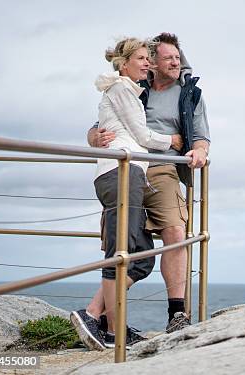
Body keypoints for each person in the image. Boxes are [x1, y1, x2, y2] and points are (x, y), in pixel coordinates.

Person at [87, 32, 210, 334]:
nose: (175, 62)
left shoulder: (189, 93)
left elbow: (202, 137)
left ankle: (176, 312)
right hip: (128, 166)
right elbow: (97, 127)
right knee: (125, 244)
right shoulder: (130, 86)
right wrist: (94, 138)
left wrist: (199, 152)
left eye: (177, 58)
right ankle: (101, 317)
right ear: (151, 62)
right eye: (168, 57)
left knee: (175, 230)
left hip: (165, 167)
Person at [71, 37, 183, 351]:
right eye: (142, 59)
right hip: (123, 171)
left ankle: (106, 323)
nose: (147, 63)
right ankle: (101, 323)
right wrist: (173, 141)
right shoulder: (122, 89)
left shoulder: (128, 90)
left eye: (149, 59)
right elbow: (142, 135)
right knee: (120, 253)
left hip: (133, 173)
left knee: (139, 258)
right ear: (124, 64)